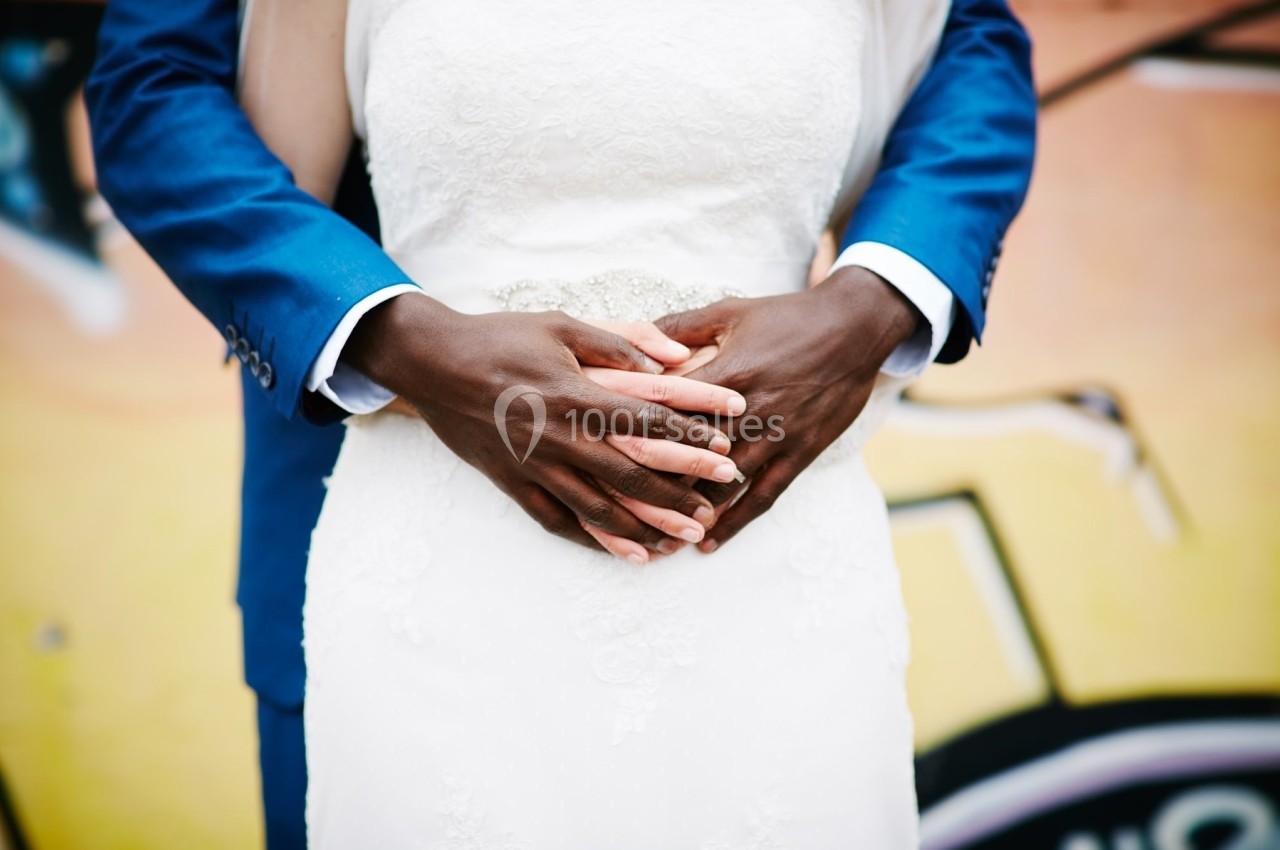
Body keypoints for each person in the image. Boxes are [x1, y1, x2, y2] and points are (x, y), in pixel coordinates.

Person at [86, 0, 1035, 845]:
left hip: (780, 573)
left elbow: (969, 41)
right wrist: (391, 337)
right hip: (428, 568)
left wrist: (876, 302)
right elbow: (154, 84)